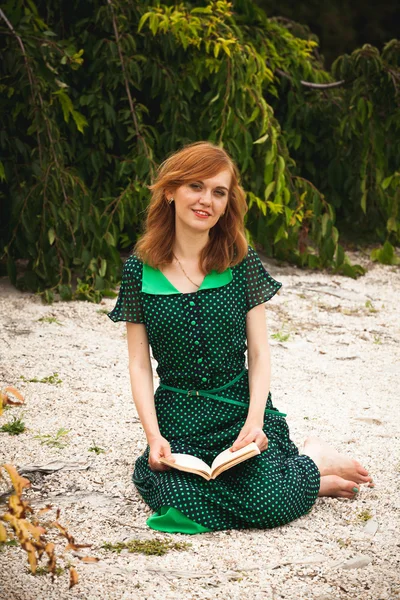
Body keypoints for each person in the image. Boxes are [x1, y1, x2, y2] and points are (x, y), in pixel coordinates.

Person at [108, 141, 372, 534]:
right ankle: (312, 479)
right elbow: (138, 363)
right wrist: (154, 435)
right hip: (178, 417)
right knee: (179, 507)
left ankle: (313, 461)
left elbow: (261, 354)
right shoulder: (138, 272)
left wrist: (255, 420)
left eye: (219, 192)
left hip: (239, 408)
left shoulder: (239, 262)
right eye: (195, 186)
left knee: (264, 502)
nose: (206, 201)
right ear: (170, 191)